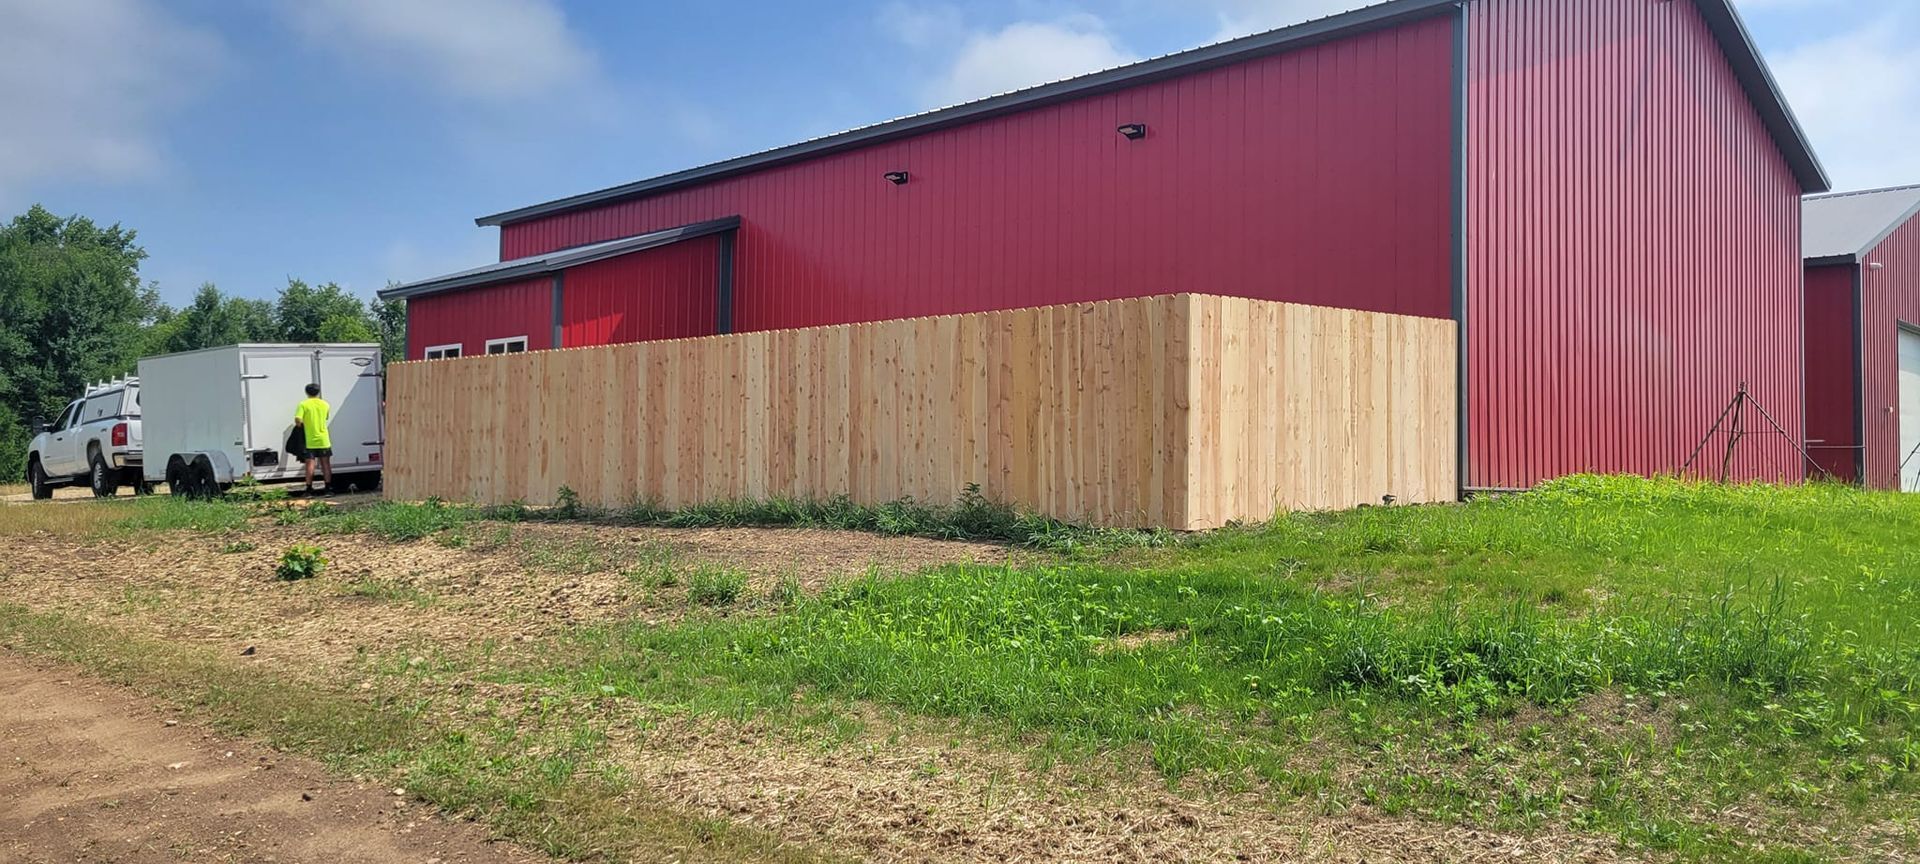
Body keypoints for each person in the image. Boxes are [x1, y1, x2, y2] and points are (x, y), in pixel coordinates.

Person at [294, 383, 333, 496]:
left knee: (310, 465)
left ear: (306, 392)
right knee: (325, 464)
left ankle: (309, 490)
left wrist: (300, 425)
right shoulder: (325, 404)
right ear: (318, 392)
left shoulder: (303, 404)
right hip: (323, 439)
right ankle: (328, 489)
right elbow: (326, 417)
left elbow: (298, 419)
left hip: (309, 440)